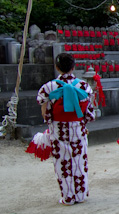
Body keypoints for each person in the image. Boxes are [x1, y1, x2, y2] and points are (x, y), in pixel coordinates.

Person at [36, 53, 95, 205]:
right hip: (78, 129)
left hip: (59, 129)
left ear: (57, 67)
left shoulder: (48, 87)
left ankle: (68, 196)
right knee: (79, 161)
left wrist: (50, 121)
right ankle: (80, 195)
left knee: (62, 163)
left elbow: (45, 111)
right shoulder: (83, 86)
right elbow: (89, 112)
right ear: (73, 67)